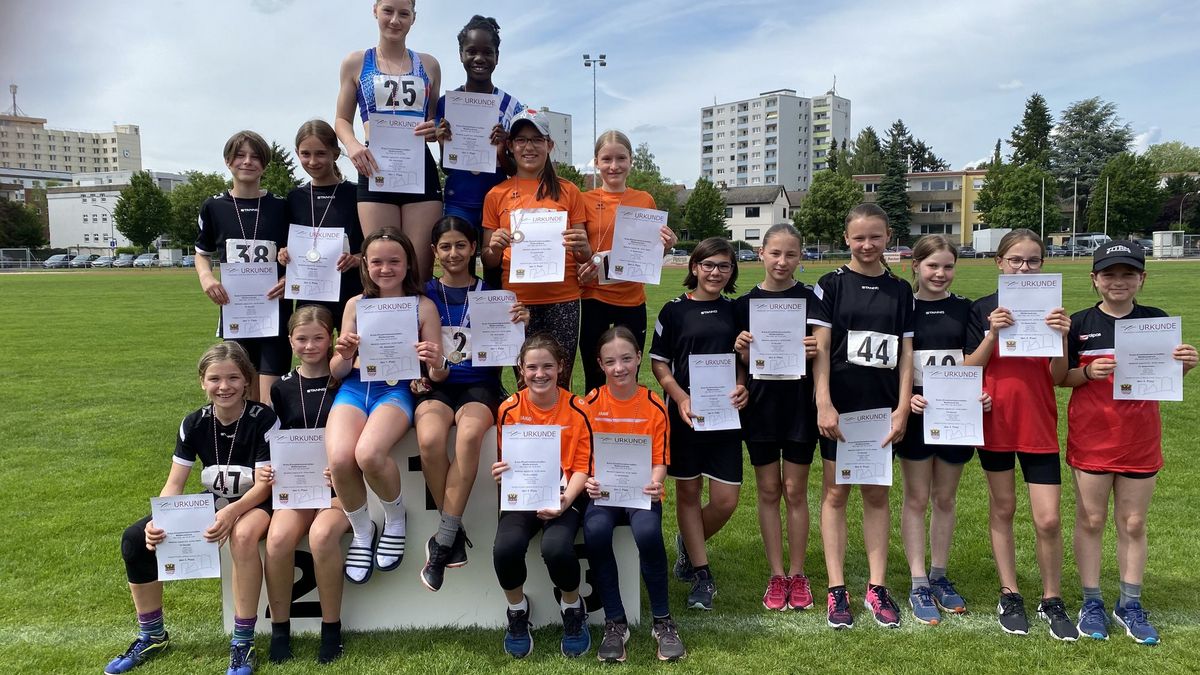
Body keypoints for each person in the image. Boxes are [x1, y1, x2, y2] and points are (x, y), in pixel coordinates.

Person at [105, 342, 277, 675]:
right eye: (214, 378)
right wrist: (162, 518)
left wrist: (230, 513)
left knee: (242, 537)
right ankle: (152, 634)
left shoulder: (262, 418)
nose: (224, 386)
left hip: (257, 501)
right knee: (135, 539)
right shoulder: (194, 422)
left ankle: (243, 642)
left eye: (233, 378)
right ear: (202, 381)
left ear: (247, 381)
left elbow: (265, 484)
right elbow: (175, 484)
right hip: (215, 500)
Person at [1058, 241, 1196, 644]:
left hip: (1140, 439)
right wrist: (1088, 373)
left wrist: (1183, 367)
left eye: (1128, 274)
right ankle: (1092, 601)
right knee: (1092, 520)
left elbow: (1163, 382)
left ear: (1142, 279)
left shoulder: (1156, 321)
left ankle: (1129, 603)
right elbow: (1060, 377)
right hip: (1092, 437)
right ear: (1095, 279)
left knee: (1133, 522)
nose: (1118, 281)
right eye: (1110, 274)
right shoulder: (1080, 323)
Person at [964, 228, 1076, 640]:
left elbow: (1060, 377)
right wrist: (992, 333)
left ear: (1043, 264)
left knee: (1048, 519)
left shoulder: (1055, 312)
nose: (1024, 267)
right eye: (1015, 260)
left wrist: (1063, 337)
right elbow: (969, 368)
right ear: (1000, 263)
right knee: (1004, 508)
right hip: (995, 422)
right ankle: (1009, 592)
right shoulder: (981, 310)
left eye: (1032, 261)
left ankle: (1052, 597)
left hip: (1038, 423)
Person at [811, 203, 914, 630]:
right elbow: (820, 347)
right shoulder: (830, 284)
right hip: (841, 407)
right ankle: (837, 589)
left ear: (888, 236)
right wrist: (823, 401)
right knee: (836, 494)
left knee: (876, 495)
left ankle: (877, 587)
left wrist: (903, 406)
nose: (867, 245)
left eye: (875, 236)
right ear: (846, 238)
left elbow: (906, 353)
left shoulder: (901, 289)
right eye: (859, 237)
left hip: (881, 408)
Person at [415, 215, 527, 592]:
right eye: (445, 246)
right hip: (437, 387)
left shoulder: (495, 294)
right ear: (434, 251)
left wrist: (519, 323)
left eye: (460, 245)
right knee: (429, 439)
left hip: (479, 386)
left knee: (469, 436)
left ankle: (443, 541)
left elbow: (513, 349)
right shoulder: (423, 294)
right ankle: (455, 530)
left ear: (474, 248)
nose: (453, 253)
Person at [325, 227, 444, 585]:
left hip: (395, 390)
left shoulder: (423, 306)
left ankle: (395, 517)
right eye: (377, 261)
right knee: (340, 457)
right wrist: (344, 354)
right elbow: (337, 369)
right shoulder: (354, 305)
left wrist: (435, 361)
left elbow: (438, 376)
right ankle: (362, 531)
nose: (385, 268)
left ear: (409, 264)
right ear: (366, 265)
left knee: (369, 454)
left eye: (395, 261)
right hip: (354, 388)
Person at [895, 234, 990, 625]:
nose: (940, 273)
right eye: (932, 265)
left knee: (946, 499)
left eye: (948, 266)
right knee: (917, 498)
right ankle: (918, 581)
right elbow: (898, 363)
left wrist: (978, 393)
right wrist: (906, 400)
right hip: (918, 415)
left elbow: (972, 362)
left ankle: (939, 574)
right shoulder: (904, 308)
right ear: (915, 266)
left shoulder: (965, 309)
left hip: (956, 416)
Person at [650, 237, 749, 611]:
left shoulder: (738, 310)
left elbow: (745, 357)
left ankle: (687, 544)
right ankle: (701, 573)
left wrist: (742, 384)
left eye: (724, 266)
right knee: (688, 495)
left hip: (726, 416)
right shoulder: (673, 311)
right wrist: (679, 397)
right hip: (686, 415)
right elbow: (660, 363)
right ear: (694, 268)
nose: (715, 272)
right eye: (708, 265)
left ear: (731, 271)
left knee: (725, 501)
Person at [582, 326, 686, 662]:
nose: (620, 367)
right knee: (595, 531)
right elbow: (582, 458)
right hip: (604, 493)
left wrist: (656, 481)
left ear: (639, 357)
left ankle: (662, 621)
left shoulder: (654, 405)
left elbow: (660, 460)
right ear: (600, 363)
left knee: (647, 532)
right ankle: (615, 622)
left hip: (641, 492)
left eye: (627, 359)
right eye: (611, 361)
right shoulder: (591, 404)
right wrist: (589, 481)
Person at [732, 223, 820, 612]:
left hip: (801, 407)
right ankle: (776, 574)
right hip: (761, 409)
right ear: (761, 253)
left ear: (800, 258)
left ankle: (798, 574)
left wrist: (817, 347)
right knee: (768, 491)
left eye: (791, 254)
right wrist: (742, 354)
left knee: (795, 491)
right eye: (775, 253)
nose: (782, 262)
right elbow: (740, 368)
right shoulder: (743, 305)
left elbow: (826, 352)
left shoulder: (813, 300)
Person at [491, 334, 593, 659]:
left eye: (547, 366)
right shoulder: (508, 409)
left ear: (561, 367)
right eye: (532, 366)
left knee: (556, 548)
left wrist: (564, 501)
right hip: (525, 496)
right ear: (520, 369)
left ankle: (573, 607)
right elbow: (508, 462)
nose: (540, 373)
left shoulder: (579, 409)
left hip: (566, 497)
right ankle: (518, 611)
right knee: (505, 549)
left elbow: (583, 468)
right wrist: (501, 472)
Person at [260, 306, 349, 664]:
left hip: (340, 489)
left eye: (318, 338)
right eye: (301, 339)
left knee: (321, 536)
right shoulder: (281, 388)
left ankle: (332, 629)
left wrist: (341, 472)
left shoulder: (346, 380)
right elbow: (272, 441)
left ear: (332, 339)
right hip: (296, 487)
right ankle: (280, 630)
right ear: (290, 342)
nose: (310, 345)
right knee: (279, 539)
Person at [334, 0, 442, 280]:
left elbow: (433, 121)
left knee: (419, 271)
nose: (395, 20)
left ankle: (423, 325)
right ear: (375, 11)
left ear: (413, 18)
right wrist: (354, 145)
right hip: (376, 167)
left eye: (403, 13)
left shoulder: (429, 64)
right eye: (388, 11)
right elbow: (341, 120)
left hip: (419, 170)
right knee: (381, 270)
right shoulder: (356, 62)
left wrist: (435, 129)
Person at [482, 108, 590, 387]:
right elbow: (489, 261)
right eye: (521, 140)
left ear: (549, 145)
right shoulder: (496, 195)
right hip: (518, 301)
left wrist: (582, 247)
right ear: (510, 146)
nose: (529, 146)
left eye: (537, 139)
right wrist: (494, 247)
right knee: (526, 382)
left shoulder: (569, 191)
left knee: (560, 381)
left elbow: (583, 256)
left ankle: (563, 432)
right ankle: (528, 432)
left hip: (563, 299)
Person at [576, 130, 677, 393]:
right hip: (593, 299)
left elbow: (651, 256)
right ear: (596, 162)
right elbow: (576, 252)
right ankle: (594, 429)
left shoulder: (644, 199)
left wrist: (665, 247)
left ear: (631, 160)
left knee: (627, 374)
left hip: (631, 300)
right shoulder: (583, 200)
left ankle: (624, 429)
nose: (614, 166)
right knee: (595, 374)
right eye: (606, 159)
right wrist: (580, 270)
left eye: (621, 158)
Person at [194, 130, 290, 402]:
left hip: (275, 314)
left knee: (271, 400)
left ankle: (271, 445)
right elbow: (201, 253)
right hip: (237, 313)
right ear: (228, 161)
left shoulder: (281, 206)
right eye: (240, 156)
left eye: (255, 157)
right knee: (240, 393)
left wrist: (290, 278)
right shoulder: (214, 206)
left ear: (265, 164)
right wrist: (207, 280)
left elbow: (294, 254)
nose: (247, 162)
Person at [433, 14, 524, 289]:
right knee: (459, 273)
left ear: (497, 56)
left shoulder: (512, 106)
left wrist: (501, 149)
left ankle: (498, 330)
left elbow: (515, 169)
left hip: (498, 201)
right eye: (472, 51)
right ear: (461, 54)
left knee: (499, 277)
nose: (479, 58)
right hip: (459, 201)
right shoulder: (446, 103)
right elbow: (447, 166)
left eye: (488, 52)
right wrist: (442, 142)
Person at [283, 120, 364, 331]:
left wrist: (356, 259)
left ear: (335, 153)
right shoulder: (294, 198)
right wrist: (283, 253)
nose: (312, 161)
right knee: (314, 355)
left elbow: (371, 243)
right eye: (305, 154)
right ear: (297, 153)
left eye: (320, 153)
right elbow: (287, 243)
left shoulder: (356, 194)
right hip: (309, 295)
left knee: (352, 358)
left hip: (350, 292)